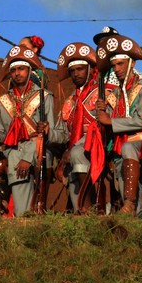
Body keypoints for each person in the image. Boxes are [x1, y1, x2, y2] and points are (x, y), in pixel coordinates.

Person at [0, 45, 57, 216]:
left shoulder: (44, 96)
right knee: (13, 157)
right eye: (13, 70)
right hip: (13, 150)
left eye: (21, 69)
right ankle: (23, 217)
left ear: (29, 71)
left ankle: (32, 215)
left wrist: (28, 156)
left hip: (39, 148)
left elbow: (52, 133)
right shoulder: (4, 101)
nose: (17, 73)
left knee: (23, 158)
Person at [95, 33, 142, 215]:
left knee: (127, 152)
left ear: (132, 63)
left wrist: (110, 121)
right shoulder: (116, 93)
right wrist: (103, 111)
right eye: (114, 65)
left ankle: (132, 205)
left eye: (120, 64)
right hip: (119, 144)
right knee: (123, 180)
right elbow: (110, 120)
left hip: (141, 140)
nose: (116, 69)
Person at [54, 42, 105, 213]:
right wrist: (47, 132)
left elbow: (102, 125)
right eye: (72, 71)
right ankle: (82, 211)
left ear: (90, 69)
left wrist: (74, 147)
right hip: (74, 150)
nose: (76, 74)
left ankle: (89, 207)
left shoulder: (102, 92)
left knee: (76, 153)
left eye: (80, 69)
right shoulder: (70, 101)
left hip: (98, 145)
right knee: (71, 157)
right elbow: (62, 133)